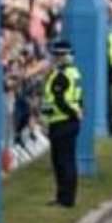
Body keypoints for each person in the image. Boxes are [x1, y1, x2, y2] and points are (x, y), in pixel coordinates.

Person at [41, 40, 83, 208]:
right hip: (65, 122)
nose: (54, 58)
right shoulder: (73, 72)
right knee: (63, 161)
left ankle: (65, 199)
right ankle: (63, 197)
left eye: (57, 55)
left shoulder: (62, 75)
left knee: (63, 162)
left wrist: (73, 113)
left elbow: (60, 100)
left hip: (62, 122)